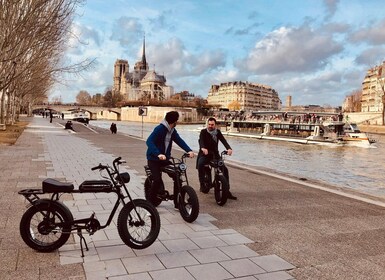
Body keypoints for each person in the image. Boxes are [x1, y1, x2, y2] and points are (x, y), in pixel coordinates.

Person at [146, 111, 194, 206]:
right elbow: (149, 141)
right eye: (177, 120)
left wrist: (189, 150)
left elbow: (179, 140)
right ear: (174, 121)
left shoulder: (172, 130)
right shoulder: (159, 129)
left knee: (177, 175)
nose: (177, 122)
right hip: (153, 159)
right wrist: (158, 154)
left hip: (165, 160)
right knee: (157, 180)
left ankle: (177, 202)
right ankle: (150, 203)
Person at [197, 117, 237, 200]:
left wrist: (229, 148)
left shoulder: (218, 132)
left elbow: (223, 140)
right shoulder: (203, 132)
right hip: (205, 154)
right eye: (209, 124)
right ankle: (202, 184)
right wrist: (203, 148)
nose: (210, 126)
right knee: (200, 164)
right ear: (207, 124)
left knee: (224, 169)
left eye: (212, 125)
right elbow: (201, 142)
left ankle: (227, 191)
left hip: (215, 155)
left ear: (215, 125)